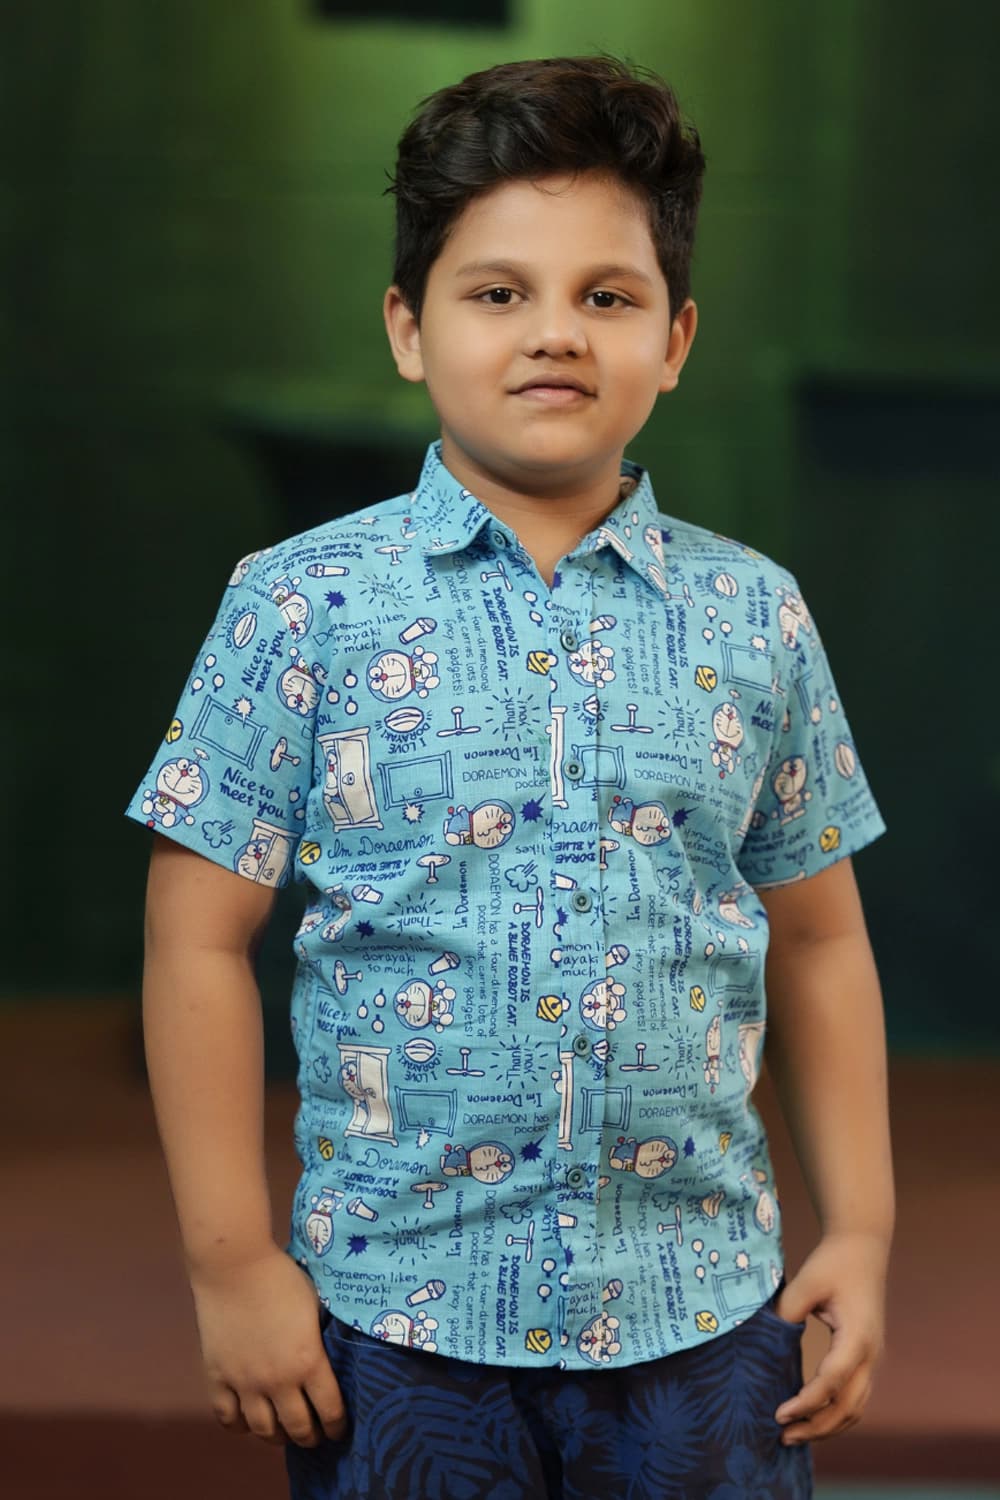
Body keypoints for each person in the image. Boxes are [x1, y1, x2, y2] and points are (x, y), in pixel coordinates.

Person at [128, 55, 894, 1500]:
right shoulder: (298, 603)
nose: (556, 332)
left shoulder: (756, 616)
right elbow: (195, 940)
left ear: (676, 339)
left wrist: (862, 1228)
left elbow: (820, 939)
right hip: (392, 1317)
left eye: (607, 295)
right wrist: (231, 1264)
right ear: (408, 329)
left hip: (701, 1312)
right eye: (498, 293)